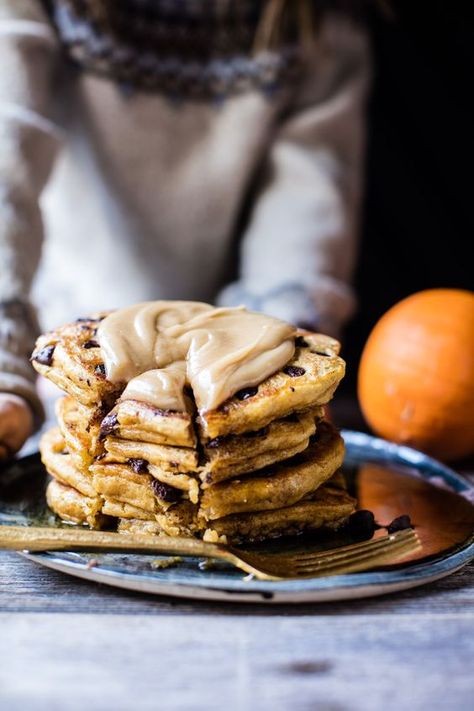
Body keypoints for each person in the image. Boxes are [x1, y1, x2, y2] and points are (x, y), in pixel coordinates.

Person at [0, 0, 371, 460]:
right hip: (65, 366)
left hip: (231, 358)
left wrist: (276, 375)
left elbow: (303, 211)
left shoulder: (319, 20)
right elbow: (7, 154)